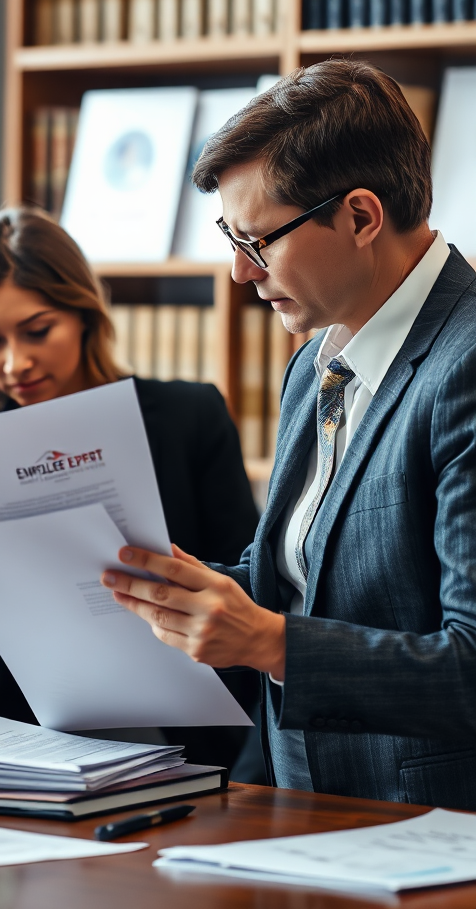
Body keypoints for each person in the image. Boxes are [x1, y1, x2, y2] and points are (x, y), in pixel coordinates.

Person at [100, 59, 476, 809]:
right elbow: (302, 582)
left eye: (259, 240)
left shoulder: (464, 367)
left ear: (361, 218)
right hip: (302, 810)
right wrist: (171, 591)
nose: (240, 274)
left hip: (432, 829)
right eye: (230, 238)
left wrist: (266, 642)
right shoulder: (314, 364)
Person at [0, 207, 261, 772]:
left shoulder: (189, 417)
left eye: (38, 331)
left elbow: (245, 576)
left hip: (187, 726)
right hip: (27, 730)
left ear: (85, 315)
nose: (16, 363)